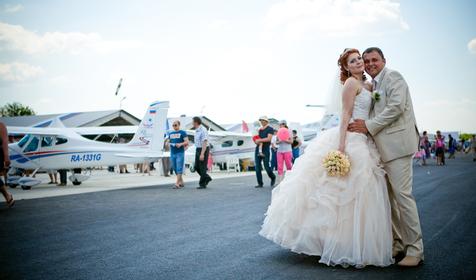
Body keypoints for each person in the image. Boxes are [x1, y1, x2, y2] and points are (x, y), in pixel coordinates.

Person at [260, 49, 393, 268]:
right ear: (347, 68)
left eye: (359, 58)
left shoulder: (370, 86)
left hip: (366, 139)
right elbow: (345, 116)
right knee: (337, 193)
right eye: (353, 61)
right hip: (351, 139)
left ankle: (353, 242)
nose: (359, 62)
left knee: (361, 193)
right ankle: (333, 243)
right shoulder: (351, 84)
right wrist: (341, 147)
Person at [348, 47, 423, 266]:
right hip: (382, 149)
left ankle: (415, 250)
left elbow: (396, 107)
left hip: (397, 146)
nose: (370, 63)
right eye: (367, 60)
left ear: (384, 60)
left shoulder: (393, 77)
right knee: (389, 200)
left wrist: (368, 126)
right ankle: (398, 243)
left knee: (403, 198)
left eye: (375, 60)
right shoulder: (374, 84)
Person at [254, 116, 276, 188]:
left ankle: (272, 177)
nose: (261, 122)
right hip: (258, 149)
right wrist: (256, 141)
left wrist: (259, 140)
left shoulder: (270, 129)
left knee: (266, 167)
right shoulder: (259, 130)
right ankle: (260, 183)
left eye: (263, 120)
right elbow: (257, 139)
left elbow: (269, 139)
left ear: (266, 121)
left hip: (265, 150)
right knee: (257, 167)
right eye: (260, 120)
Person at [166, 120, 189, 188]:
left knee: (179, 167)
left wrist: (181, 144)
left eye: (175, 125)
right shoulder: (171, 133)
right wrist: (167, 142)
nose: (174, 126)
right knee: (174, 167)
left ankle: (177, 183)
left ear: (179, 125)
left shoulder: (183, 132)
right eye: (173, 125)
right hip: (172, 153)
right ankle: (181, 182)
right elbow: (168, 140)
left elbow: (187, 142)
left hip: (180, 152)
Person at [193, 117, 212, 189]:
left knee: (202, 167)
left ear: (196, 122)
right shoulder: (197, 130)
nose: (192, 123)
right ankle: (207, 177)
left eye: (193, 122)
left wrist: (202, 153)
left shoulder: (203, 130)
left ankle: (202, 184)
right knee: (196, 167)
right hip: (198, 149)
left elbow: (205, 142)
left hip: (203, 149)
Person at [0, 122, 15, 208]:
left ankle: (7, 195)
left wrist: (6, 157)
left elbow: (5, 142)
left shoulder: (1, 126)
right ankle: (7, 196)